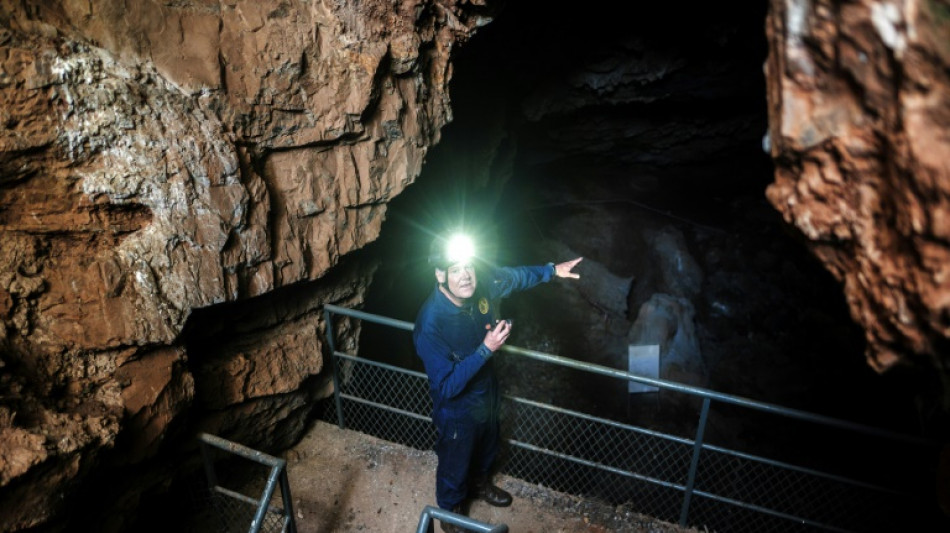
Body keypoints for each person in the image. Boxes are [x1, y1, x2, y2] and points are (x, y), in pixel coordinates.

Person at [412, 232, 582, 533]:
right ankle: (450, 513)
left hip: (486, 391)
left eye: (468, 266)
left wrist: (552, 270)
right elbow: (447, 386)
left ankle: (480, 485)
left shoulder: (482, 285)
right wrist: (486, 349)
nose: (466, 275)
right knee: (455, 463)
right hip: (457, 409)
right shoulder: (431, 324)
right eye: (455, 269)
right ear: (440, 274)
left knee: (488, 445)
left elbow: (514, 277)